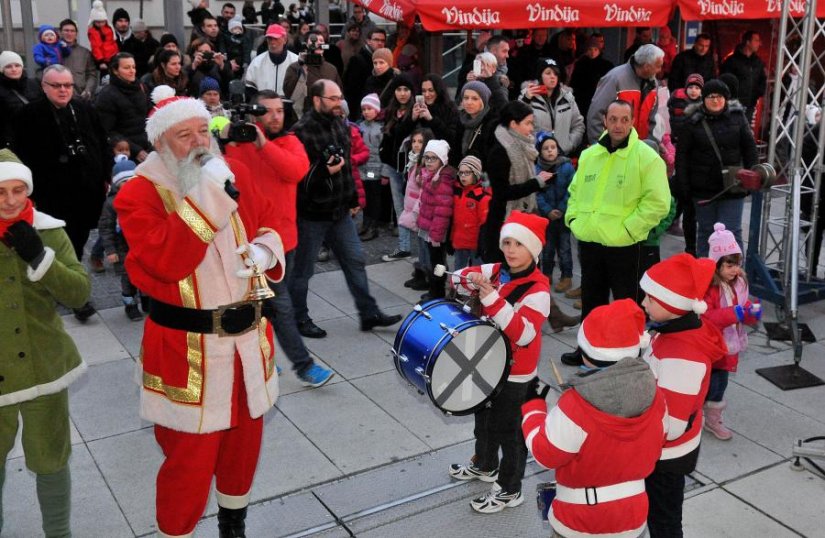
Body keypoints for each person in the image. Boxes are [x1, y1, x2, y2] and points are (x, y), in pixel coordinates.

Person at [114, 86, 286, 538]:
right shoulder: (140, 195)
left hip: (248, 344)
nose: (199, 143)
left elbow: (273, 221)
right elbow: (167, 261)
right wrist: (210, 194)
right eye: (183, 135)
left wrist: (266, 252)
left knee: (242, 450)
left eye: (202, 132)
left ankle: (233, 525)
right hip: (189, 352)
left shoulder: (228, 172)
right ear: (160, 144)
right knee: (189, 462)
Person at [0, 148, 90, 538]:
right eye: (1, 191)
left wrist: (40, 257)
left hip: (45, 366)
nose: (11, 200)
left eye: (19, 190)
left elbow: (79, 293)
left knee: (51, 461)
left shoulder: (49, 229)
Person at [522, 299, 667, 538]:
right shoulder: (656, 394)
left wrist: (533, 407)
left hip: (580, 519)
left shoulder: (575, 404)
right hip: (633, 516)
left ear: (585, 351)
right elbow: (658, 440)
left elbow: (544, 454)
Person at [223, 89, 336, 388]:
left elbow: (295, 171)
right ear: (254, 114)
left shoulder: (290, 143)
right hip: (244, 243)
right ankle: (297, 364)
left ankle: (281, 361)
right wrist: (223, 136)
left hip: (279, 243)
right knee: (265, 306)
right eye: (267, 111)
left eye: (279, 110)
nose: (275, 116)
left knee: (275, 305)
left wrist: (262, 145)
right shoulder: (236, 145)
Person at [449, 211, 551, 514]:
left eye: (519, 244)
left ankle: (510, 489)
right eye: (506, 242)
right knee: (484, 421)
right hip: (487, 365)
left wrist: (491, 297)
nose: (510, 250)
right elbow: (457, 281)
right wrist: (470, 280)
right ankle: (485, 465)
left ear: (532, 249)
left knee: (510, 434)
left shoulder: (539, 291)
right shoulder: (496, 270)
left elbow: (522, 334)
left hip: (516, 374)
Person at [561, 100, 671, 366]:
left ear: (632, 122)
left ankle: (627, 355)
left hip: (624, 245)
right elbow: (575, 192)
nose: (618, 125)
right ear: (605, 121)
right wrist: (574, 219)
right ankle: (586, 350)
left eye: (624, 119)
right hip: (590, 241)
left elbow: (658, 202)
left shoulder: (646, 157)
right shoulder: (590, 155)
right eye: (613, 119)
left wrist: (629, 229)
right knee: (592, 301)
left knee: (626, 304)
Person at [289, 79, 402, 337]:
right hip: (312, 215)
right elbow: (297, 176)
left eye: (340, 97)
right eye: (333, 98)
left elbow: (347, 167)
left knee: (355, 262)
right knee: (303, 270)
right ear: (317, 100)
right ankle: (299, 319)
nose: (339, 102)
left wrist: (353, 200)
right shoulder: (301, 131)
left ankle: (369, 313)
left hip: (340, 212)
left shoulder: (340, 124)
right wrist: (321, 171)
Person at [639, 253, 727, 538]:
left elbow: (672, 426)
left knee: (663, 522)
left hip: (665, 455)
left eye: (650, 299)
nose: (643, 303)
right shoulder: (673, 330)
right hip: (664, 449)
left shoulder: (683, 355)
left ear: (672, 304)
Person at [12, 65, 109, 321]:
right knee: (59, 242)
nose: (64, 90)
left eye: (68, 85)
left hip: (86, 190)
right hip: (51, 194)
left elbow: (101, 141)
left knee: (77, 241)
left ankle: (70, 283)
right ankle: (73, 294)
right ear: (44, 86)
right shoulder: (29, 114)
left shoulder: (85, 109)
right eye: (57, 85)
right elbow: (22, 154)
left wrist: (105, 174)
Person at [674, 79, 758, 257]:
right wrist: (684, 186)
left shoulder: (737, 117)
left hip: (733, 185)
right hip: (702, 188)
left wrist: (753, 174)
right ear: (703, 99)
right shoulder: (692, 122)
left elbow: (749, 147)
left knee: (731, 232)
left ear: (726, 98)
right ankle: (706, 275)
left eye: (719, 96)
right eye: (711, 96)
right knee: (706, 232)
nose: (715, 100)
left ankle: (733, 277)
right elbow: (682, 156)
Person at [701, 223, 761, 440]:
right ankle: (689, 417)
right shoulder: (709, 288)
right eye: (729, 265)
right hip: (710, 346)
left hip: (729, 346)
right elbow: (707, 317)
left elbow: (742, 310)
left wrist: (752, 313)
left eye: (737, 264)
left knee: (719, 387)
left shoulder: (740, 283)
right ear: (716, 265)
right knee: (703, 385)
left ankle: (712, 419)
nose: (734, 269)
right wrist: (735, 313)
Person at [483, 100, 551, 264]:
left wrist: (538, 182)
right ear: (514, 124)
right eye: (528, 123)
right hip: (503, 221)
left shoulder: (524, 146)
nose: (531, 128)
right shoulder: (500, 151)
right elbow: (503, 192)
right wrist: (536, 183)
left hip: (523, 217)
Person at [587, 44, 664, 144]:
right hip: (613, 148)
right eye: (658, 66)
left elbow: (653, 119)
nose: (660, 70)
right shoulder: (614, 79)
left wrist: (650, 146)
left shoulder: (653, 84)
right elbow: (596, 115)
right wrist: (601, 146)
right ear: (646, 67)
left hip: (640, 150)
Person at [97, 156, 143, 320]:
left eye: (132, 180)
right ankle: (130, 304)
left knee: (145, 273)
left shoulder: (143, 197)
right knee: (128, 276)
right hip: (122, 246)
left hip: (142, 244)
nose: (129, 185)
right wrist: (110, 250)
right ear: (117, 184)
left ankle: (146, 299)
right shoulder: (111, 203)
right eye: (124, 182)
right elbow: (105, 227)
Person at [415, 139, 456, 300]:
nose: (429, 161)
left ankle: (437, 293)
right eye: (427, 157)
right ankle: (434, 290)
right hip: (429, 227)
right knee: (434, 261)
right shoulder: (431, 176)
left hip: (436, 232)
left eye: (434, 158)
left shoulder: (442, 180)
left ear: (442, 160)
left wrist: (436, 235)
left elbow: (442, 211)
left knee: (437, 262)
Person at [535, 133, 574, 295]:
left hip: (563, 216)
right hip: (546, 217)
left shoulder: (566, 167)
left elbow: (572, 189)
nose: (550, 151)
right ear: (540, 151)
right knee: (548, 247)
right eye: (546, 148)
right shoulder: (537, 169)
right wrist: (547, 210)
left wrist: (561, 209)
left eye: (553, 147)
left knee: (565, 248)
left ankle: (567, 276)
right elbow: (537, 193)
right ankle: (547, 274)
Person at [520, 58, 585, 157]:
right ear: (540, 76)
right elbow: (518, 124)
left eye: (555, 74)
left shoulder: (568, 97)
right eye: (548, 73)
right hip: (535, 157)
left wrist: (568, 145)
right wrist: (526, 100)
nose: (553, 77)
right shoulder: (527, 96)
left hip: (562, 156)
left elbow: (578, 125)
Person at [95, 53, 151, 162]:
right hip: (125, 154)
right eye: (126, 68)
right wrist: (136, 150)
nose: (132, 71)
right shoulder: (106, 95)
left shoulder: (141, 88)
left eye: (133, 67)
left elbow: (149, 117)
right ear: (115, 71)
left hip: (148, 148)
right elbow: (107, 131)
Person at [398, 127, 435, 287]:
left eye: (420, 141)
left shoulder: (426, 164)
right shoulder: (414, 160)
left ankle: (427, 275)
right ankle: (421, 272)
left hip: (422, 210)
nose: (416, 145)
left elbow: (424, 190)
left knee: (425, 244)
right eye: (414, 141)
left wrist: (416, 210)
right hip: (414, 207)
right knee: (420, 242)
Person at [283, 30, 343, 114]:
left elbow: (340, 94)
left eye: (321, 41)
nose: (318, 43)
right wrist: (302, 69)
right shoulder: (295, 67)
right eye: (314, 41)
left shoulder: (331, 69)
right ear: (306, 45)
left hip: (329, 116)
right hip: (304, 116)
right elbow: (289, 94)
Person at [356, 93, 386, 241]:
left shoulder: (381, 128)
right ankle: (365, 222)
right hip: (363, 168)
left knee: (373, 196)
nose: (366, 112)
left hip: (375, 169)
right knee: (365, 196)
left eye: (369, 108)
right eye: (364, 109)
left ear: (376, 110)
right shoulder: (360, 126)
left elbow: (384, 150)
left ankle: (373, 226)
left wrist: (384, 172)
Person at [721, 31, 767, 121]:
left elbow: (762, 79)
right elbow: (724, 80)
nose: (759, 44)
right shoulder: (732, 60)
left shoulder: (758, 61)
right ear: (748, 42)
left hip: (750, 103)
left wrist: (759, 93)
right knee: (733, 129)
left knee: (746, 129)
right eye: (756, 40)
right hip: (733, 103)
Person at [0, 51, 43, 148]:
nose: (14, 69)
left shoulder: (35, 83)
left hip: (38, 135)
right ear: (2, 70)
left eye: (17, 65)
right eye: (8, 66)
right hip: (13, 141)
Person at [244, 23, 300, 97]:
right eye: (270, 38)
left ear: (285, 40)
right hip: (264, 105)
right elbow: (250, 89)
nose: (272, 42)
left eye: (276, 38)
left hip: (289, 105)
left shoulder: (296, 61)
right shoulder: (257, 62)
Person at [343, 28, 387, 120]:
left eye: (382, 40)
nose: (380, 43)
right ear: (368, 41)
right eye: (376, 40)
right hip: (361, 111)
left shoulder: (384, 60)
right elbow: (351, 91)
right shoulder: (357, 60)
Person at [569, 37, 614, 121]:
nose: (593, 52)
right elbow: (574, 84)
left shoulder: (606, 66)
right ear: (586, 50)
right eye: (590, 49)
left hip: (599, 102)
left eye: (595, 49)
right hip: (582, 102)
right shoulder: (580, 64)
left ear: (599, 50)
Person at [59, 19, 98, 99]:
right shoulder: (53, 50)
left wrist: (88, 90)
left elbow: (92, 74)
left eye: (72, 31)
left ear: (76, 33)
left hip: (80, 97)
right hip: (59, 97)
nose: (69, 33)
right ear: (60, 32)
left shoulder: (85, 53)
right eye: (66, 30)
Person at [87, 0, 119, 73]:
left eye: (102, 22)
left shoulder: (109, 28)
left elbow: (113, 42)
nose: (101, 24)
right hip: (104, 60)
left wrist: (117, 53)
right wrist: (101, 61)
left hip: (113, 56)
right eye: (98, 22)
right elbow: (96, 47)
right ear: (93, 21)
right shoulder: (93, 32)